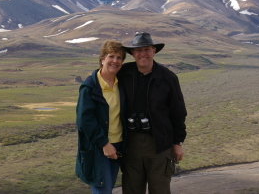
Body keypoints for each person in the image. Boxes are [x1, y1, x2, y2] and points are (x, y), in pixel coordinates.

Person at [119, 32, 187, 194]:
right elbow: (102, 77)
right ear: (133, 53)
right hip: (130, 144)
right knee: (131, 189)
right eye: (139, 50)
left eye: (147, 49)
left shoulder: (168, 77)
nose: (143, 54)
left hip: (160, 144)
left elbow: (178, 112)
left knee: (160, 189)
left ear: (154, 51)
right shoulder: (123, 73)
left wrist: (177, 142)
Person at [76, 39, 128, 194]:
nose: (115, 61)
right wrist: (104, 143)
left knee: (108, 188)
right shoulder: (90, 87)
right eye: (111, 56)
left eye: (119, 58)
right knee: (102, 190)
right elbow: (84, 120)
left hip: (119, 145)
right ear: (102, 59)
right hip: (99, 148)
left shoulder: (121, 84)